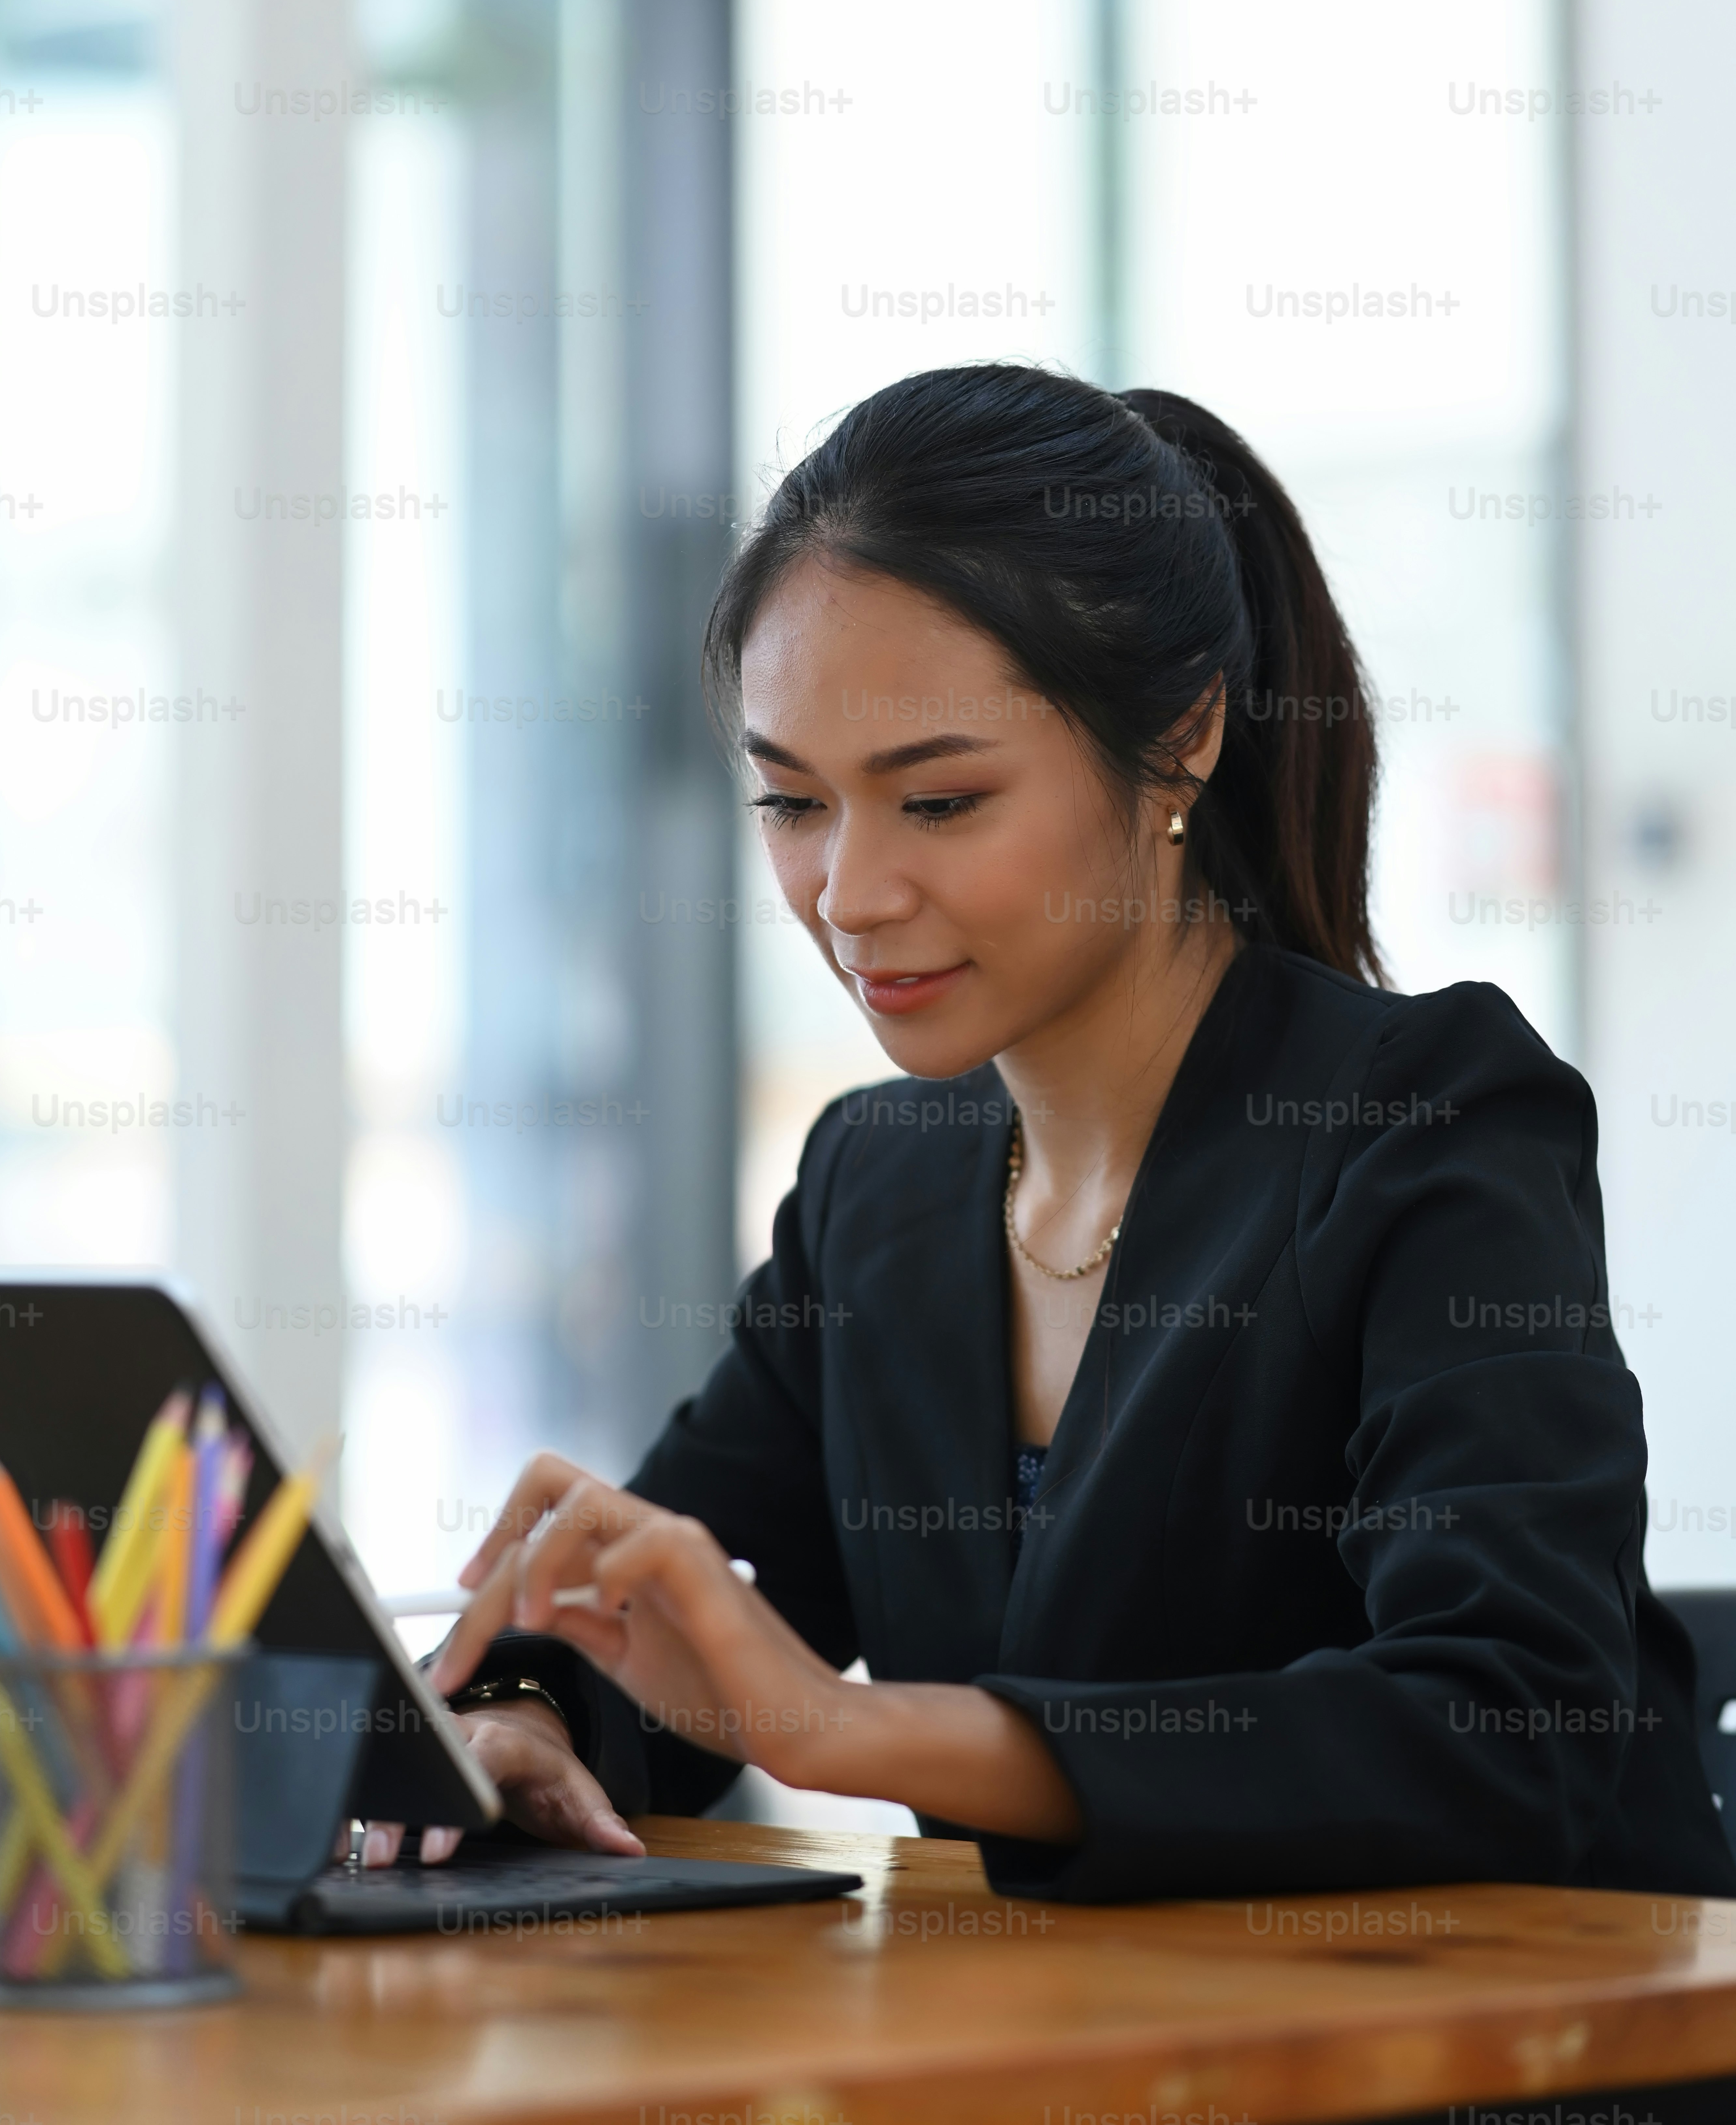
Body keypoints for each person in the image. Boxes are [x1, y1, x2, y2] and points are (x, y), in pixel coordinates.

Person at [364, 363, 1736, 1906]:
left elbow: (1503, 1729)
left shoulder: (1422, 1121)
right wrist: (524, 1713)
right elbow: (686, 1625)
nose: (848, 895)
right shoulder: (873, 1186)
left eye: (937, 803)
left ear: (1185, 736)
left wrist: (851, 1730)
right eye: (792, 804)